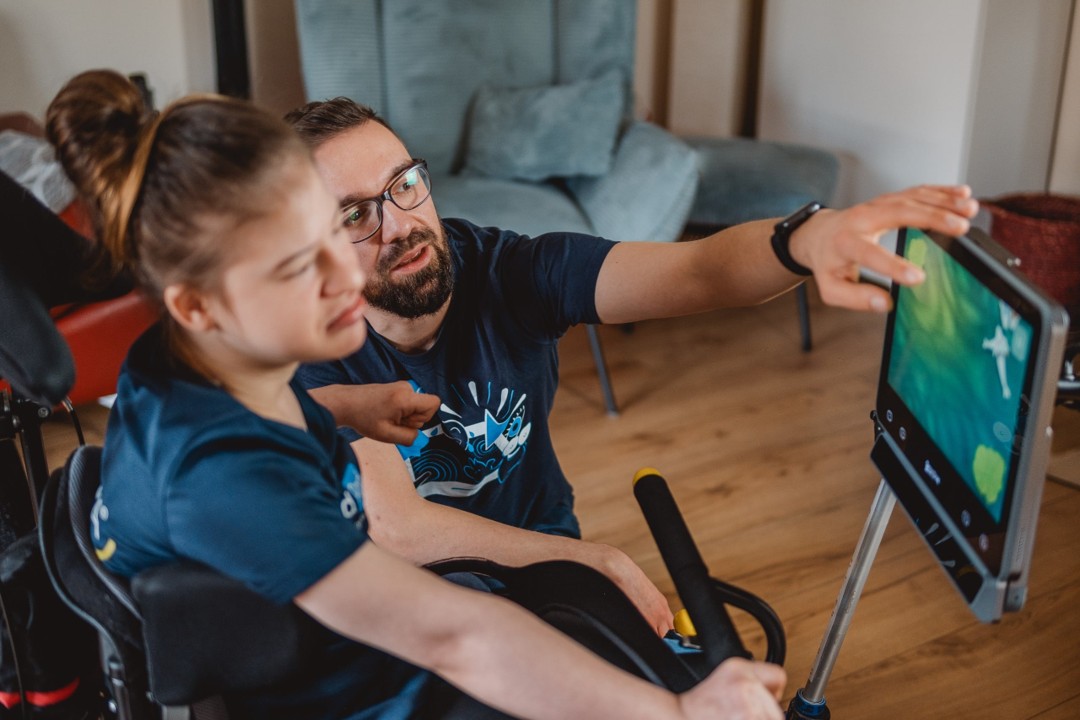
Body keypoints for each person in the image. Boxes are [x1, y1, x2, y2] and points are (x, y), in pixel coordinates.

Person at [47, 69, 789, 720]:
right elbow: (455, 638)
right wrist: (674, 709)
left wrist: (339, 411)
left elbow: (238, 432)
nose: (347, 277)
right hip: (344, 687)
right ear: (199, 306)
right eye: (299, 265)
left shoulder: (180, 361)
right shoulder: (228, 484)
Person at [283, 98, 979, 606]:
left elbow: (699, 271)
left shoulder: (514, 273)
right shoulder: (307, 337)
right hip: (409, 587)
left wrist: (803, 241)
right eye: (354, 214)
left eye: (405, 185)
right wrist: (598, 561)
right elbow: (399, 527)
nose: (399, 225)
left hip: (539, 542)